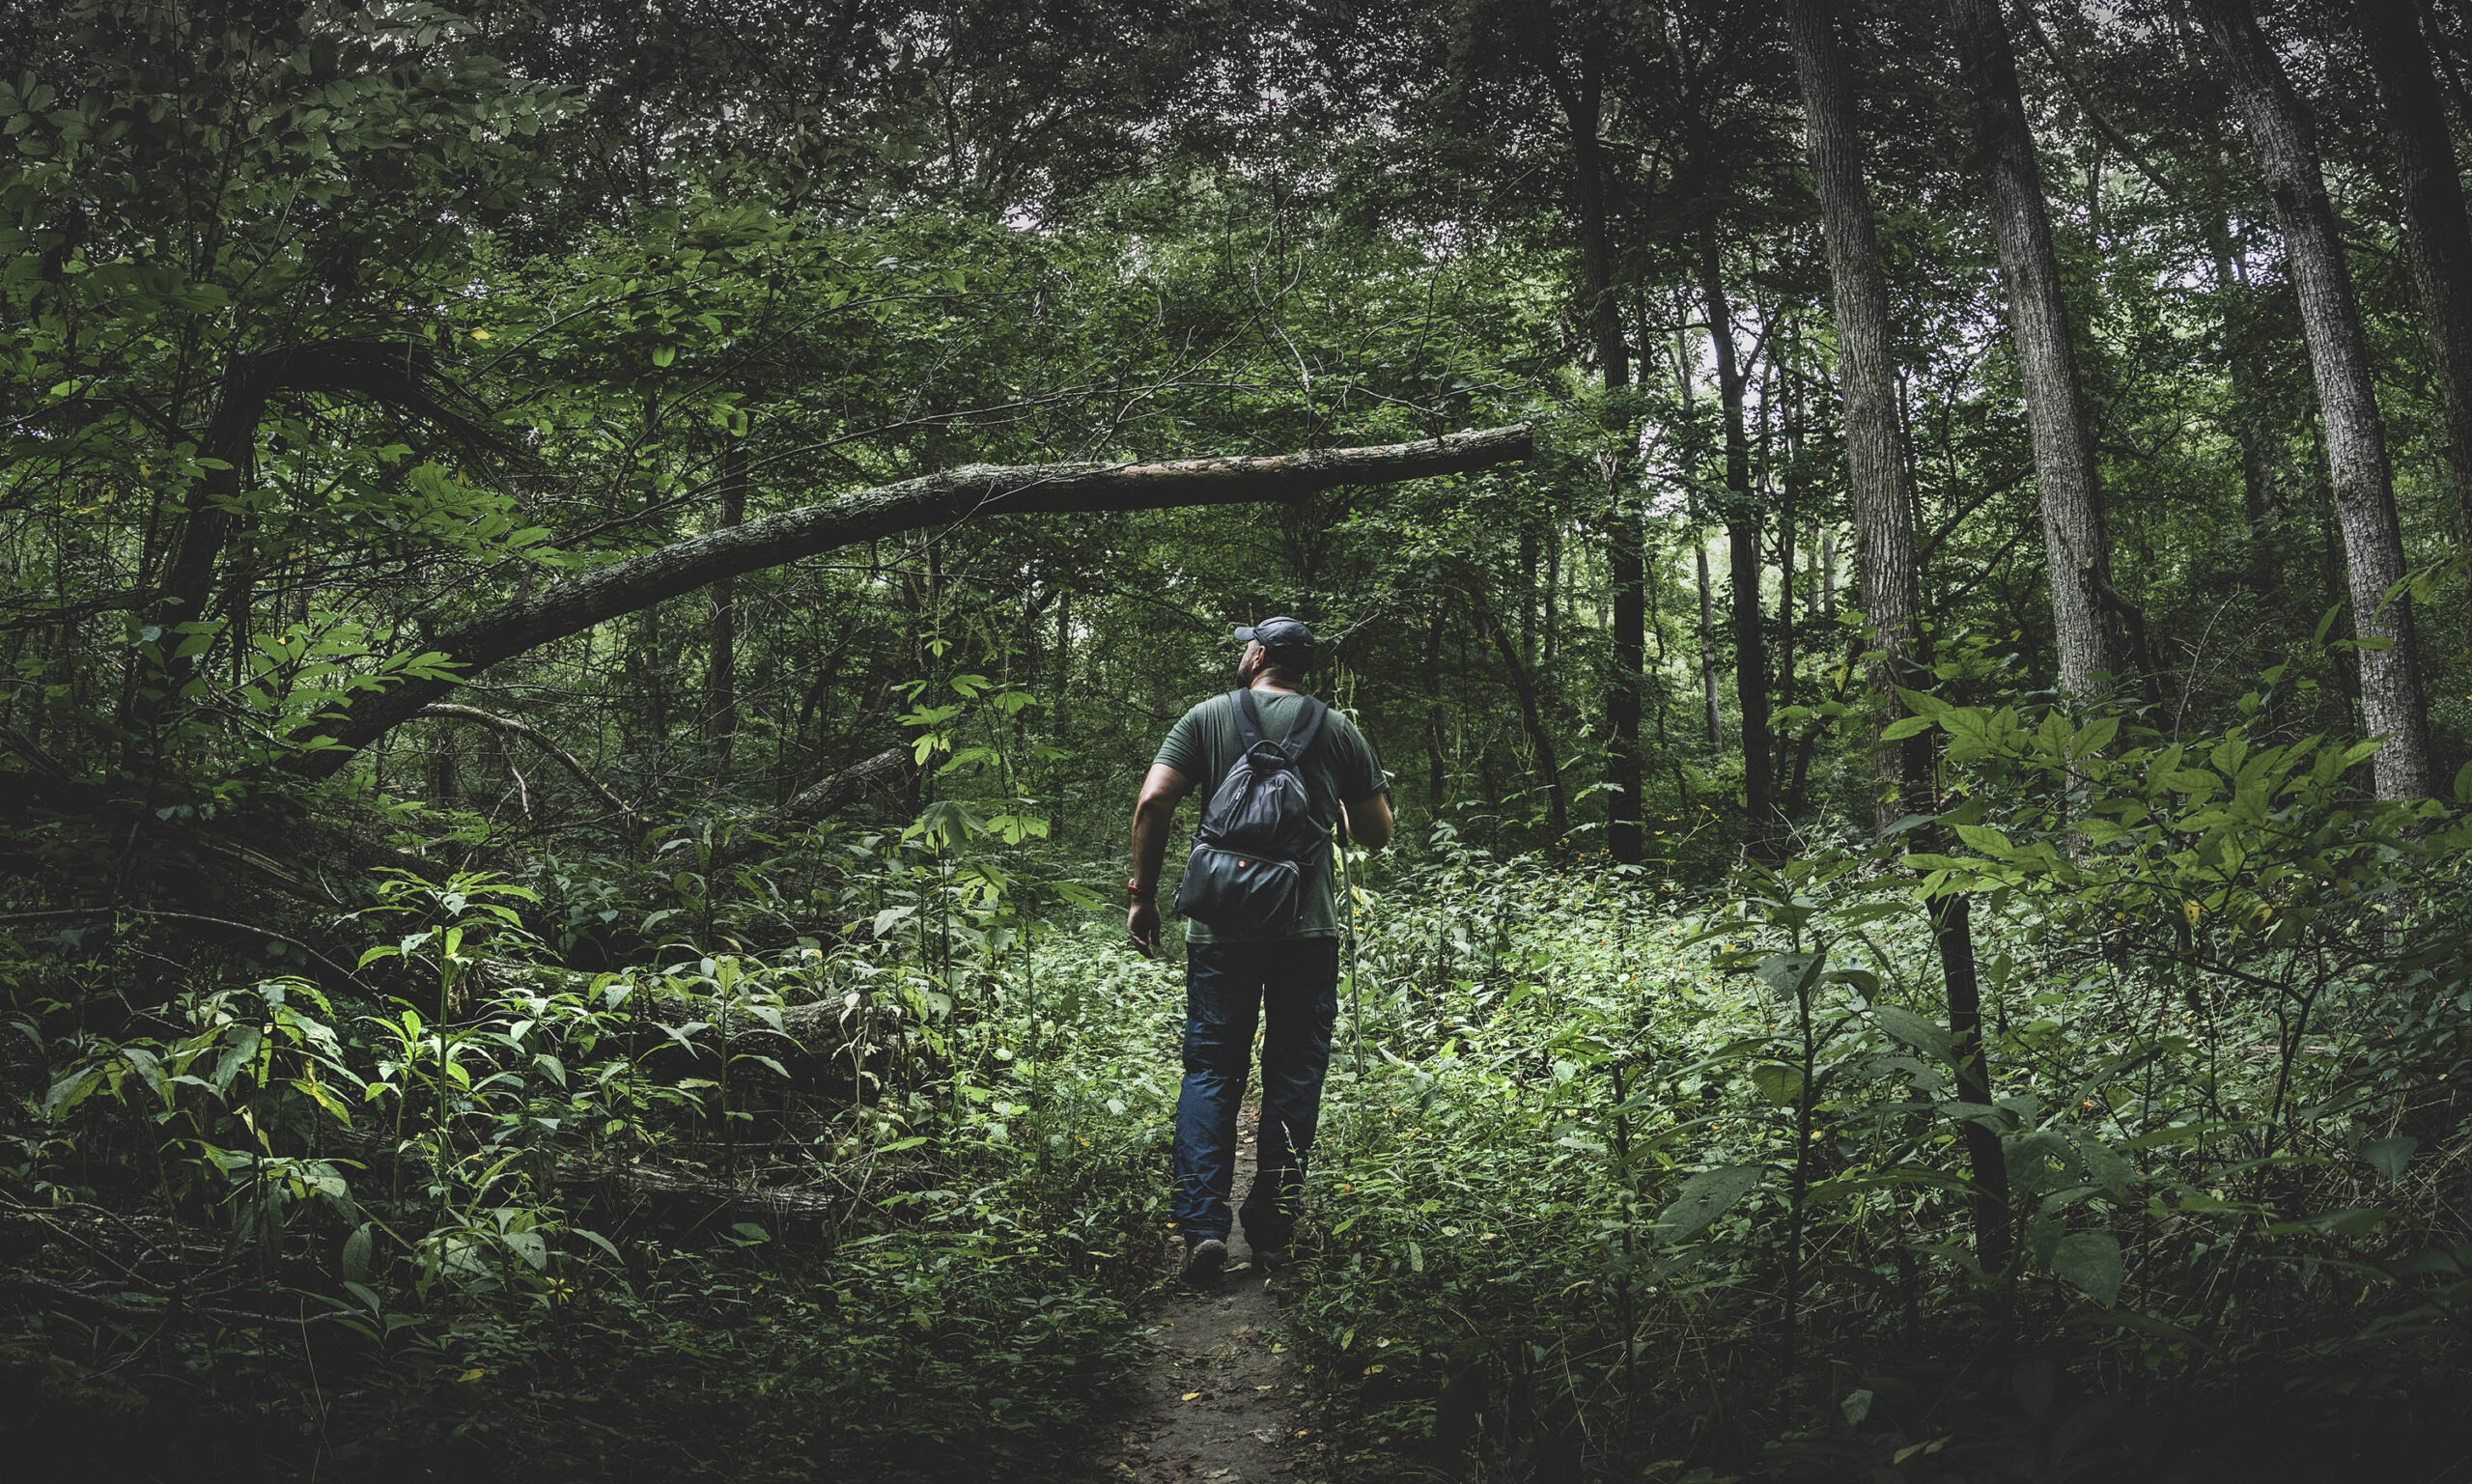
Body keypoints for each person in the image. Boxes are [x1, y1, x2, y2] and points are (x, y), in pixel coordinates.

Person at [1126, 616, 1394, 1284]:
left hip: (1220, 931)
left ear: (1259, 655)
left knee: (1212, 1068)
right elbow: (1375, 832)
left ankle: (1202, 1229)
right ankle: (1272, 1232)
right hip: (1307, 934)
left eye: (1247, 644)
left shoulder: (1206, 718)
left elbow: (1154, 799)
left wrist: (1143, 893)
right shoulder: (1336, 729)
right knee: (1295, 1073)